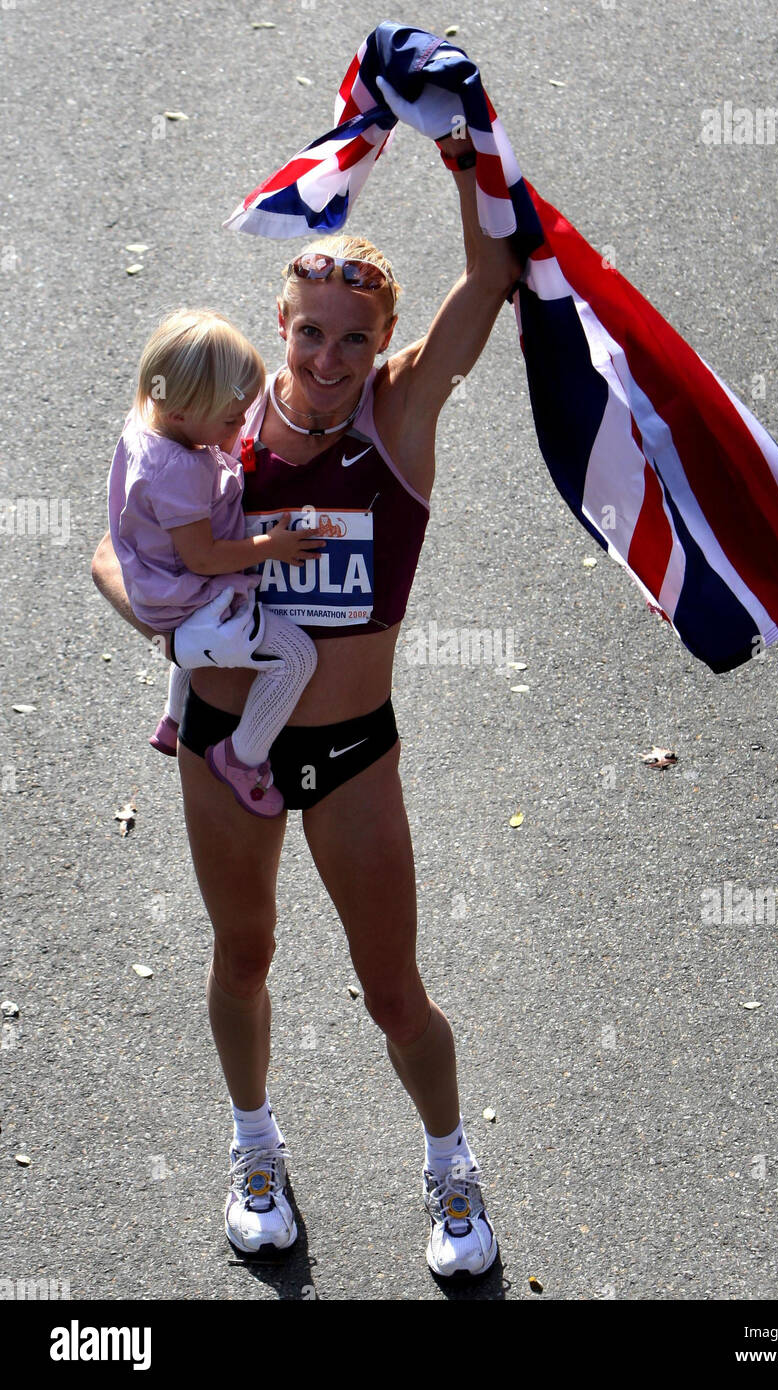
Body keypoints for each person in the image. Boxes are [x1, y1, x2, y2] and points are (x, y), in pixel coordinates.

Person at [91, 125, 522, 1281]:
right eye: (309, 334)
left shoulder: (400, 420)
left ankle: (447, 1161)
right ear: (279, 329)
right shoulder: (217, 422)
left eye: (353, 340)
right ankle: (254, 1148)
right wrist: (154, 617)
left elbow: (491, 278)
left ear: (384, 341)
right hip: (224, 736)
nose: (328, 359)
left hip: (351, 753)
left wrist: (463, 146)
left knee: (392, 992)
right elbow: (110, 549)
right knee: (243, 955)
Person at [107, 308, 322, 816]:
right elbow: (202, 558)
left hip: (160, 587)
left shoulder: (150, 423)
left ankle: (175, 718)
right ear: (180, 411)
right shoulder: (178, 470)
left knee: (190, 647)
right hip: (187, 598)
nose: (238, 428)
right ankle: (243, 757)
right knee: (297, 660)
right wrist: (271, 548)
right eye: (231, 420)